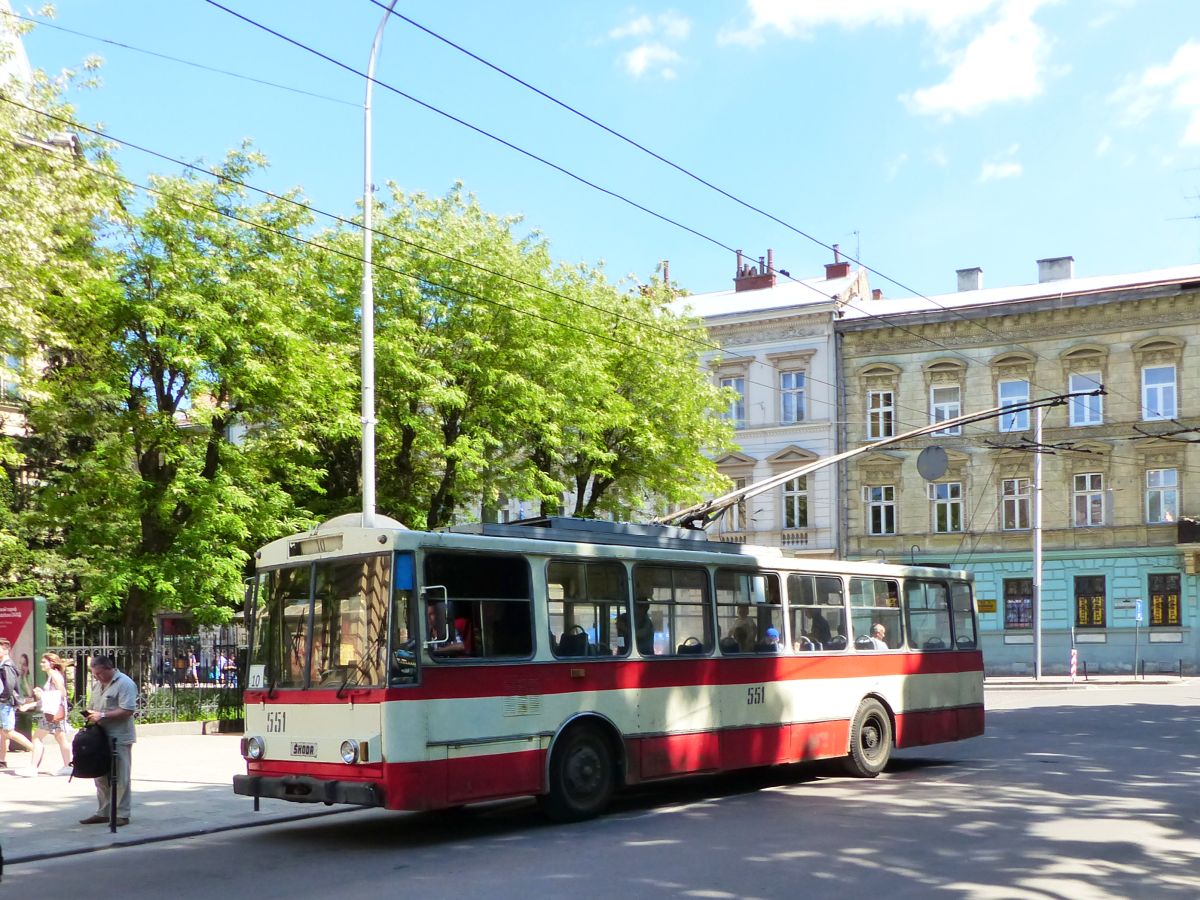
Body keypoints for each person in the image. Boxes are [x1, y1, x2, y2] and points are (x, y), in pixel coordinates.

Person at [79, 655, 138, 827]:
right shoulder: (99, 685)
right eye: (94, 674)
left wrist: (103, 715)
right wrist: (90, 714)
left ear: (108, 668)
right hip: (100, 736)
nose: (97, 677)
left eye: (99, 673)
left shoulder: (124, 683)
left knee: (120, 775)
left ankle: (122, 813)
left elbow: (127, 710)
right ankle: (104, 811)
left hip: (119, 736)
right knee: (100, 775)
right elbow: (95, 706)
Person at [26, 652, 72, 776]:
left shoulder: (53, 674)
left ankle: (33, 767)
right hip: (55, 712)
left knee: (37, 737)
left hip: (52, 712)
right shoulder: (53, 675)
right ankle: (68, 765)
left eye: (44, 662)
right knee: (60, 738)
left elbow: (62, 693)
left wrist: (42, 694)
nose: (41, 664)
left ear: (51, 663)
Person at [0, 637, 35, 768]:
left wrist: (2, 698)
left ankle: (35, 750)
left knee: (8, 731)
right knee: (2, 732)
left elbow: (9, 685)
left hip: (6, 703)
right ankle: (1, 760)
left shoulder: (7, 665)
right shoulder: (4, 664)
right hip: (4, 702)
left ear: (5, 650)